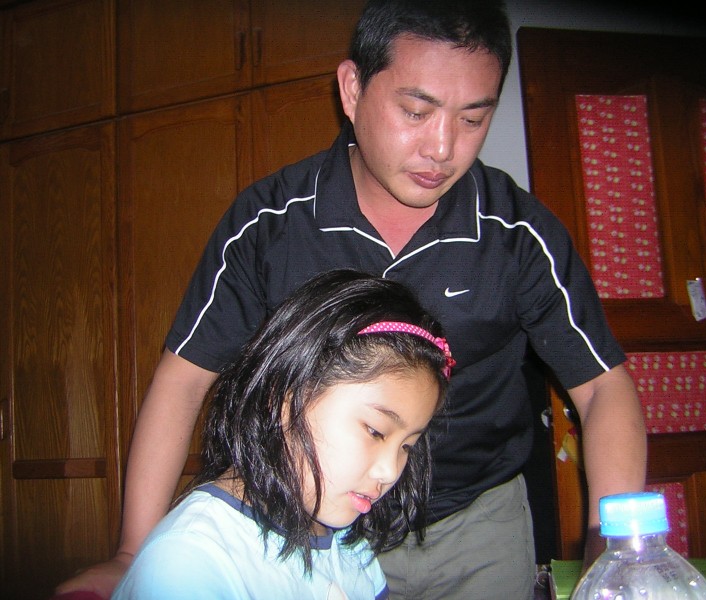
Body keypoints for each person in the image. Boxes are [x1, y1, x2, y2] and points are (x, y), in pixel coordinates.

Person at [56, 1, 646, 598]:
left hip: (474, 525)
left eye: (472, 119)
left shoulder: (518, 233)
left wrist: (617, 550)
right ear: (352, 89)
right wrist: (132, 551)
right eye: (416, 111)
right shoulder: (270, 223)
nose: (442, 148)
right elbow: (184, 379)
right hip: (307, 523)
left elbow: (603, 388)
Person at [111, 270, 452, 599]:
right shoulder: (189, 563)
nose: (390, 471)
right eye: (375, 431)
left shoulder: (350, 548)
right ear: (284, 397)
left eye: (407, 445)